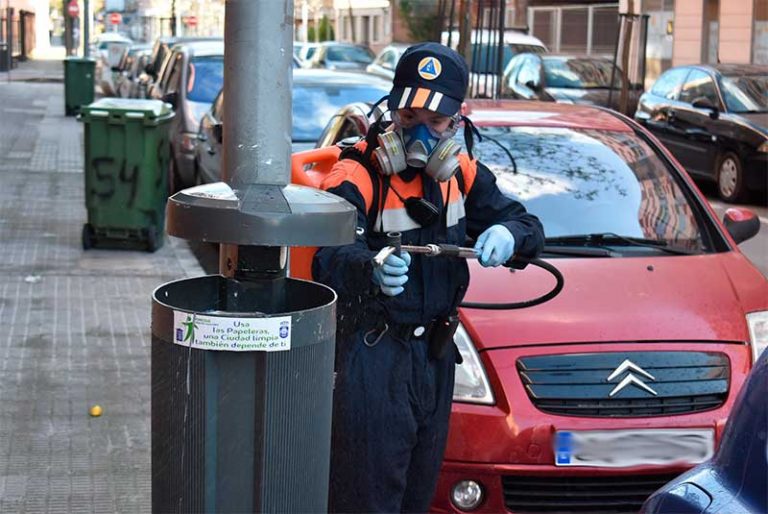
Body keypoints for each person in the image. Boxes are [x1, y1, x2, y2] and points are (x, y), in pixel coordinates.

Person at [313, 42, 545, 513]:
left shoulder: (460, 170)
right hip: (373, 358)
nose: (421, 134)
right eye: (409, 117)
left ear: (457, 123)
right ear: (392, 111)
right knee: (367, 500)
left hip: (435, 361)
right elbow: (328, 256)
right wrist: (369, 268)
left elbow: (527, 225)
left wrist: (508, 233)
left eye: (436, 123)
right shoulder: (357, 170)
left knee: (419, 497)